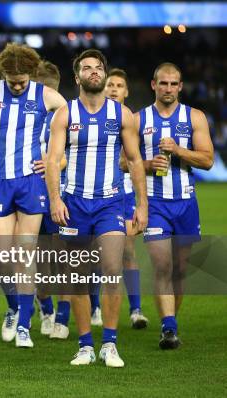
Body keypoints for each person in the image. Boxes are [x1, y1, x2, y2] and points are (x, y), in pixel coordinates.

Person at [46, 49, 148, 368]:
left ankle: (110, 344)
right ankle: (86, 345)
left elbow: (134, 161)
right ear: (77, 77)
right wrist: (55, 199)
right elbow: (52, 160)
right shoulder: (65, 114)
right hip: (74, 203)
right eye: (87, 68)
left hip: (110, 203)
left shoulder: (121, 114)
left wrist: (142, 205)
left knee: (112, 270)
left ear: (104, 75)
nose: (94, 72)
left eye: (98, 67)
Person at [0, 43, 66, 348]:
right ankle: (13, 307)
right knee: (0, 257)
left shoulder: (48, 97)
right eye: (12, 80)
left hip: (31, 183)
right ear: (3, 73)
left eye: (22, 81)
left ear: (33, 75)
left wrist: (55, 159)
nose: (17, 85)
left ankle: (24, 325)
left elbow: (72, 127)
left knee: (24, 256)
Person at [138, 63, 213, 349]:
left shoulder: (194, 117)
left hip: (185, 203)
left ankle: (170, 321)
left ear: (180, 86)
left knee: (180, 271)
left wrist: (178, 151)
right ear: (153, 85)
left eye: (173, 84)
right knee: (162, 266)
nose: (168, 88)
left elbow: (207, 160)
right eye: (163, 83)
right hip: (154, 203)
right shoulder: (137, 119)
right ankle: (169, 329)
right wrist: (147, 164)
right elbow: (123, 161)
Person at [105, 68, 149, 329]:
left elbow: (134, 161)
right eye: (110, 84)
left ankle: (136, 310)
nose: (113, 89)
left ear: (126, 91)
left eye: (119, 85)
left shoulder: (135, 121)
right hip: (98, 193)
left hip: (125, 194)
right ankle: (97, 308)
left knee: (128, 250)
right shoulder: (92, 116)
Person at [35, 60, 71, 340]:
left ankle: (60, 315)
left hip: (61, 195)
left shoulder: (66, 116)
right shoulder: (27, 114)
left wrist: (52, 164)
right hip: (33, 196)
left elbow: (70, 157)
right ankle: (48, 310)